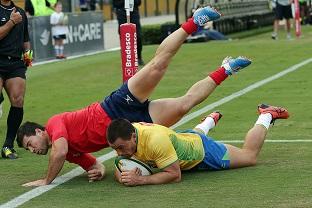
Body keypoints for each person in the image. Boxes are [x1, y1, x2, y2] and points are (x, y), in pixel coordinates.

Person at [17, 7, 248, 187]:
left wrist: (47, 180)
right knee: (186, 104)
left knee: (158, 66)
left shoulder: (55, 126)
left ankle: (194, 21)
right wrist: (98, 169)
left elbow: (60, 151)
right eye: (29, 149)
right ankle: (226, 69)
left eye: (30, 144)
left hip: (115, 107)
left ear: (39, 132)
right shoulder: (71, 152)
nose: (33, 150)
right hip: (132, 130)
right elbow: (94, 164)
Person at [107, 104, 289, 186]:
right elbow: (119, 167)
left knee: (249, 156)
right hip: (182, 140)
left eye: (121, 148)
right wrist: (124, 176)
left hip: (202, 153)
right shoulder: (126, 138)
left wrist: (142, 180)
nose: (119, 153)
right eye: (115, 149)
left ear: (133, 136)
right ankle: (209, 121)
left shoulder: (155, 141)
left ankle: (266, 115)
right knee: (187, 139)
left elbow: (174, 175)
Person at [0, 0, 32, 159]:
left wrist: (28, 55)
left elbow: (26, 40)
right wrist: (12, 22)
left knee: (18, 100)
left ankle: (8, 145)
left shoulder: (20, 12)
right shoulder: (13, 16)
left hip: (15, 63)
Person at [112, 0, 144, 65]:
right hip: (121, 12)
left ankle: (138, 57)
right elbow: (115, 3)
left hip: (133, 11)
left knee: (138, 35)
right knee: (123, 36)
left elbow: (139, 2)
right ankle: (126, 59)